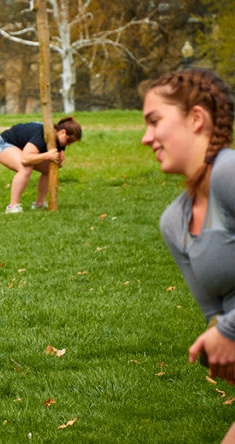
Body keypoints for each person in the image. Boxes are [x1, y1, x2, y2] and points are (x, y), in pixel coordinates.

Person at [141, 68, 235, 443]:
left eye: (154, 121)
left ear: (196, 118)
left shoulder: (228, 172)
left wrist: (229, 331)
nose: (146, 138)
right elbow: (218, 316)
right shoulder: (174, 222)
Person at [0, 117, 82, 213]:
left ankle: (39, 204)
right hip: (3, 143)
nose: (68, 145)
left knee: (48, 169)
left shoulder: (60, 141)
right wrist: (47, 155)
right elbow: (26, 159)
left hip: (24, 149)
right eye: (69, 141)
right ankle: (12, 206)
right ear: (63, 132)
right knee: (25, 168)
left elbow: (54, 162)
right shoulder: (42, 134)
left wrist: (59, 162)